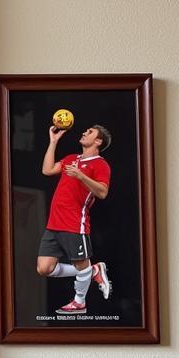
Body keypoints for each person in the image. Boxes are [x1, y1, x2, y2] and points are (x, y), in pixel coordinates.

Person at [36, 122, 113, 315]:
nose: (84, 132)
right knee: (44, 268)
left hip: (74, 222)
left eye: (90, 132)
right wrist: (53, 142)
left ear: (98, 141)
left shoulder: (100, 164)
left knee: (80, 264)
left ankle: (79, 302)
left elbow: (102, 192)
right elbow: (47, 170)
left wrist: (81, 176)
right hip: (54, 222)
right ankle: (93, 271)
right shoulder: (71, 158)